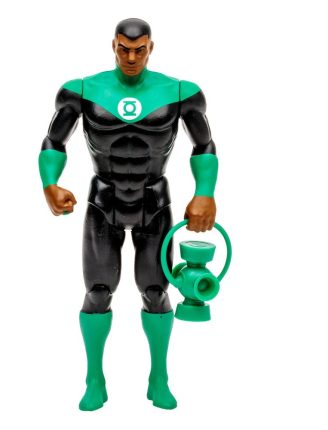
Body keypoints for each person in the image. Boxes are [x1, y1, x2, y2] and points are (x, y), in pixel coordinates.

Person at [38, 18, 218, 411]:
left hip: (155, 200)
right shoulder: (83, 90)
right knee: (97, 292)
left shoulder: (179, 92)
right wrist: (50, 183)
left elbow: (204, 145)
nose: (131, 57)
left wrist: (205, 193)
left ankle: (159, 378)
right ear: (113, 47)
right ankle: (94, 379)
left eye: (139, 49)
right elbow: (53, 140)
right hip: (104, 200)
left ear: (151, 48)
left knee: (156, 292)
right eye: (124, 48)